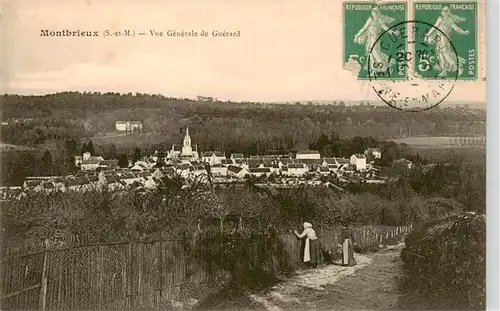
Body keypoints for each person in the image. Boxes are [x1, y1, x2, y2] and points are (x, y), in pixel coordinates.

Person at [423, 6, 469, 77]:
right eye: (442, 11)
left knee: (447, 55)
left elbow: (457, 29)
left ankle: (459, 67)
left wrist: (464, 32)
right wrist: (428, 35)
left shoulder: (449, 20)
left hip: (444, 39)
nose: (442, 12)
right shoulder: (440, 19)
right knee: (441, 56)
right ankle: (444, 71)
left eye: (443, 11)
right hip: (439, 39)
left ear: (447, 12)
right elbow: (434, 27)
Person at [354, 6, 399, 75]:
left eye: (374, 12)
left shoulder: (379, 20)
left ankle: (385, 67)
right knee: (371, 53)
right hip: (370, 38)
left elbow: (385, 28)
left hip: (375, 38)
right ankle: (373, 70)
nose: (373, 14)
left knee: (374, 52)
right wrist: (357, 36)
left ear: (377, 13)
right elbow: (364, 28)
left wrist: (393, 32)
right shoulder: (370, 19)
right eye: (372, 12)